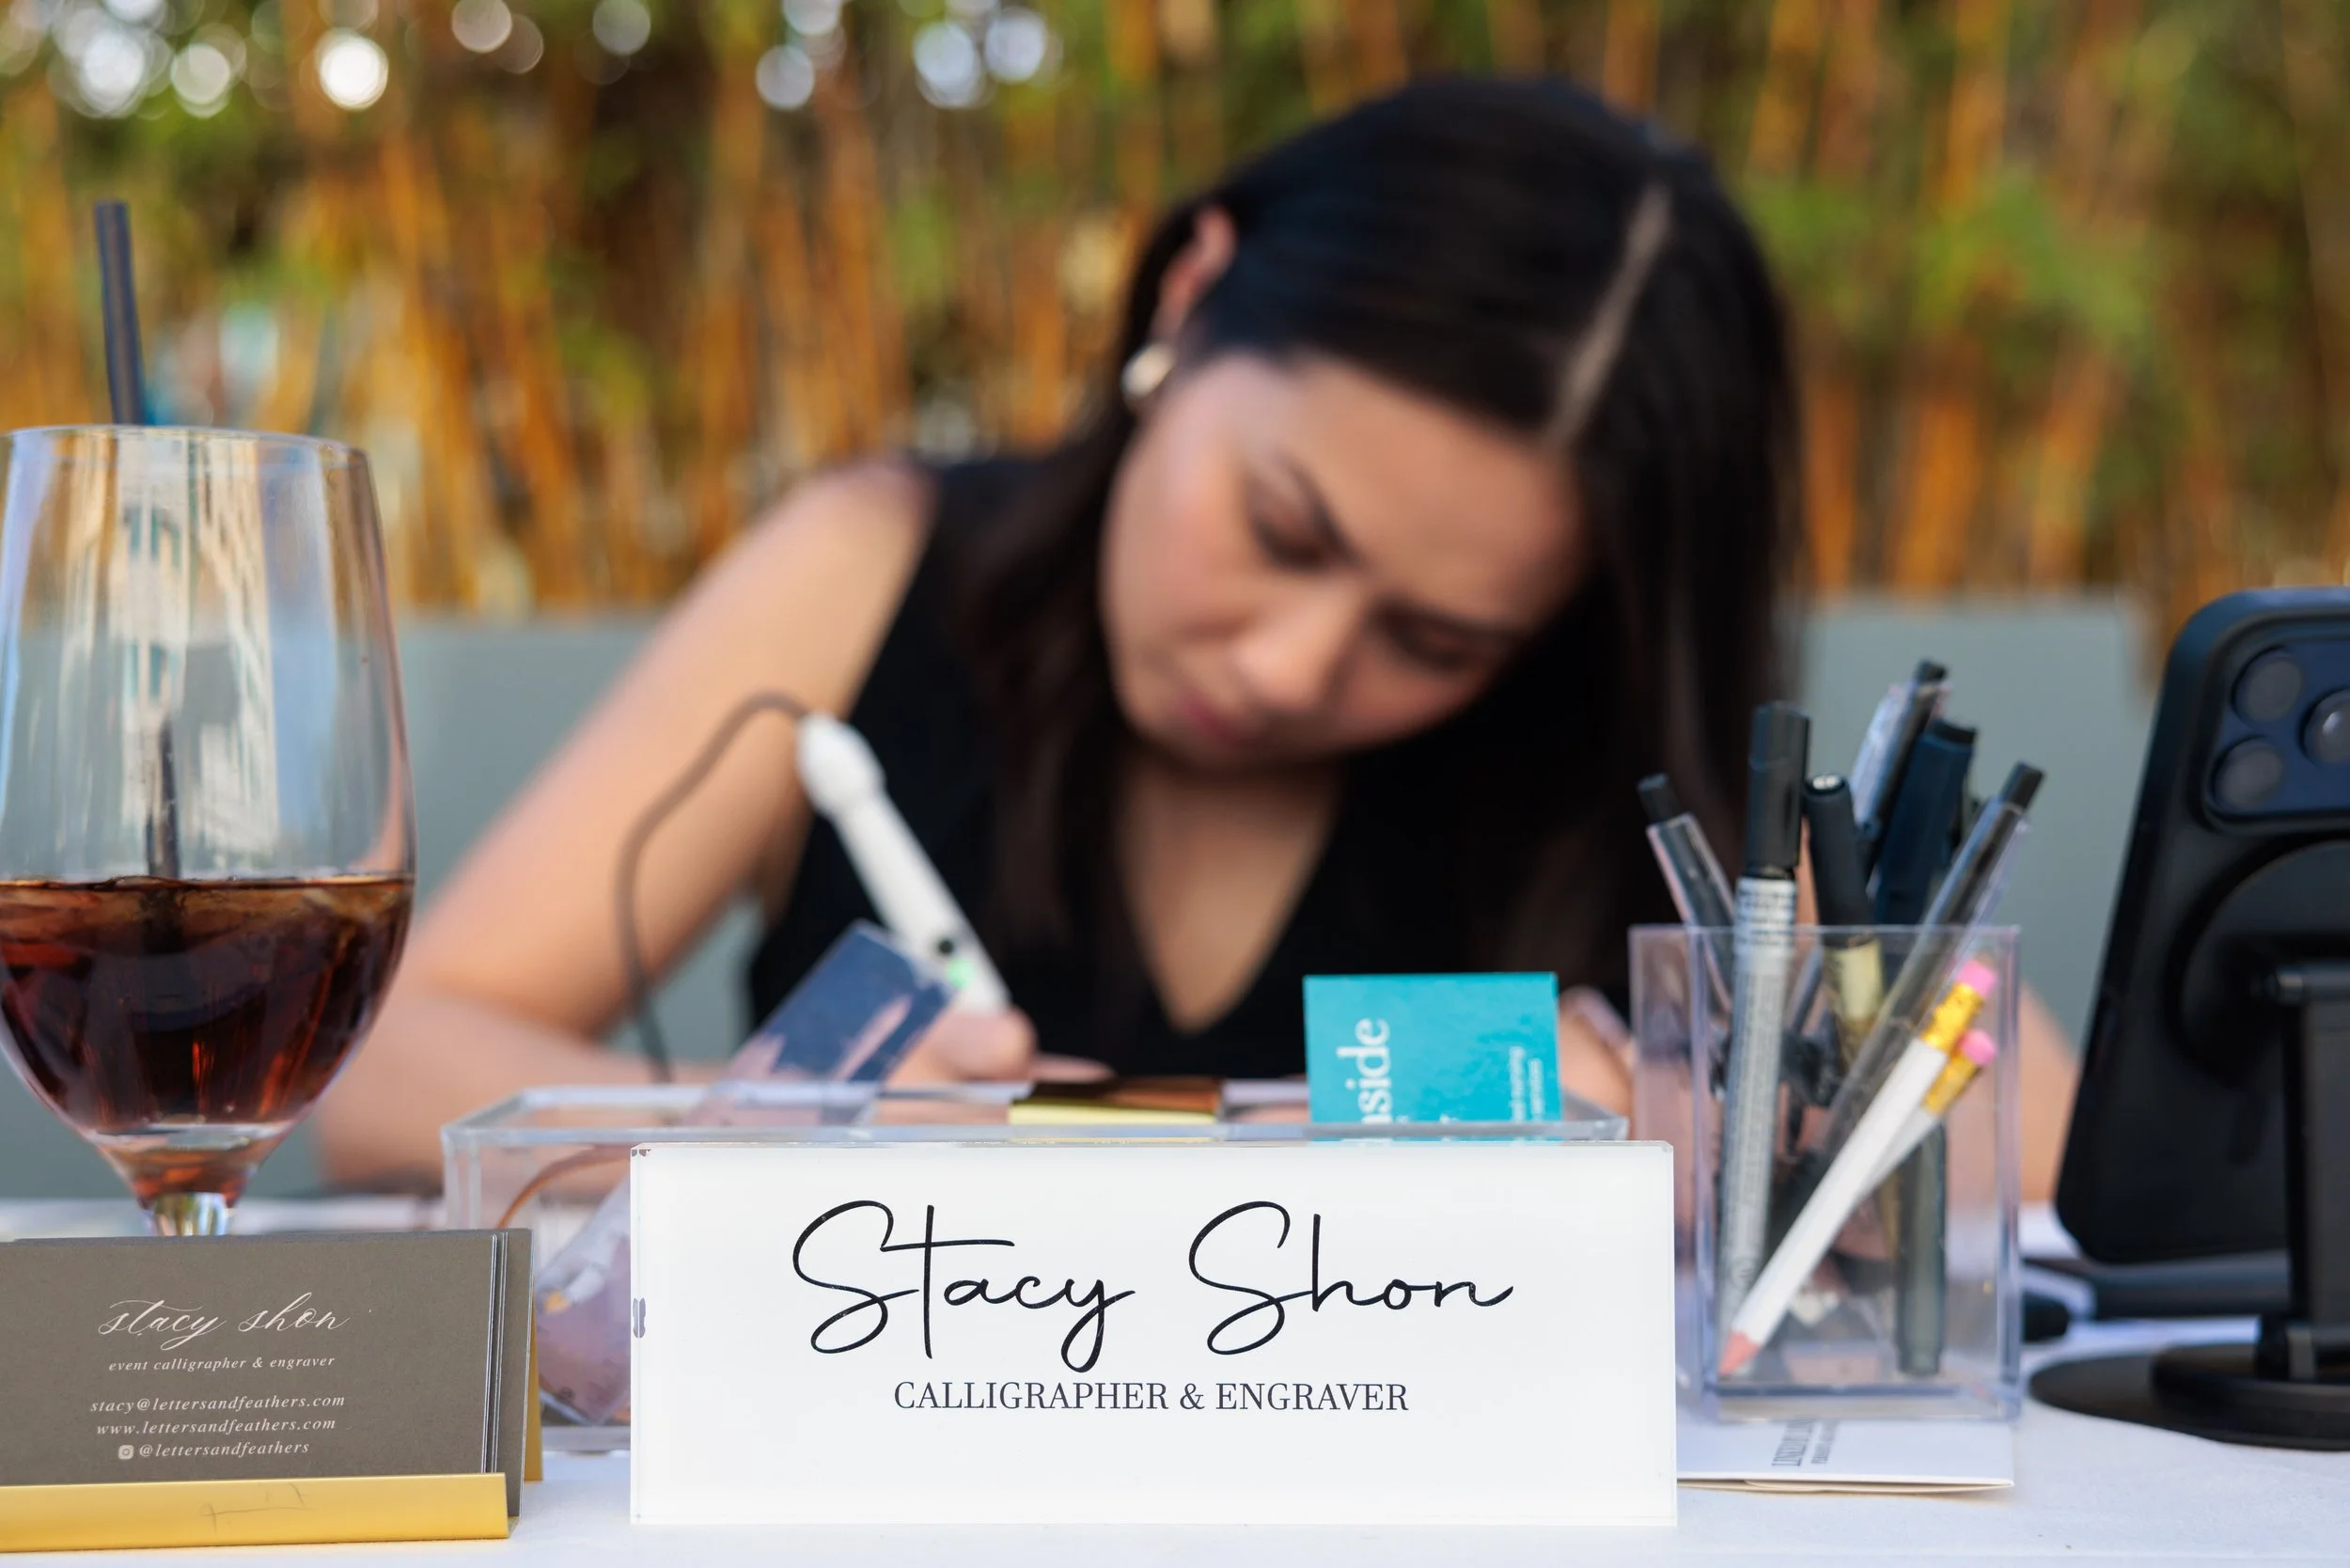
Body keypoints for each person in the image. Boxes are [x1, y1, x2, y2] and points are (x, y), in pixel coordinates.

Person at [314, 76, 2076, 1194]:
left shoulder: (1595, 729)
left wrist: (1717, 1135)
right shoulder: (871, 567)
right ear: (1185, 300)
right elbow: (382, 1069)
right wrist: (766, 1129)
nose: (1295, 665)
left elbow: (2042, 1119)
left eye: (1441, 638)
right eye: (1282, 530)